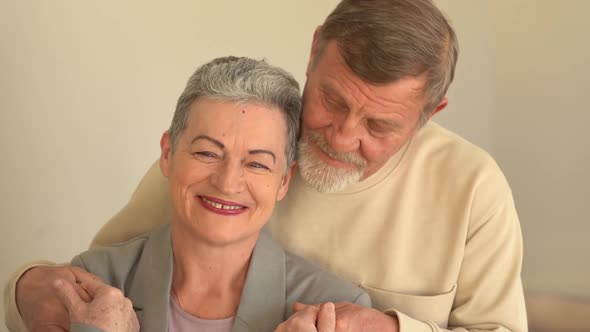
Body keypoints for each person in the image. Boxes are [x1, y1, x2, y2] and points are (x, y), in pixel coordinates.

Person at [5, 0, 528, 331]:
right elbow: (100, 274)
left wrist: (392, 331)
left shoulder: (473, 188)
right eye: (332, 100)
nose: (342, 136)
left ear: (428, 115)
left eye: (378, 127)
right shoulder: (245, 132)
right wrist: (25, 284)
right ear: (314, 51)